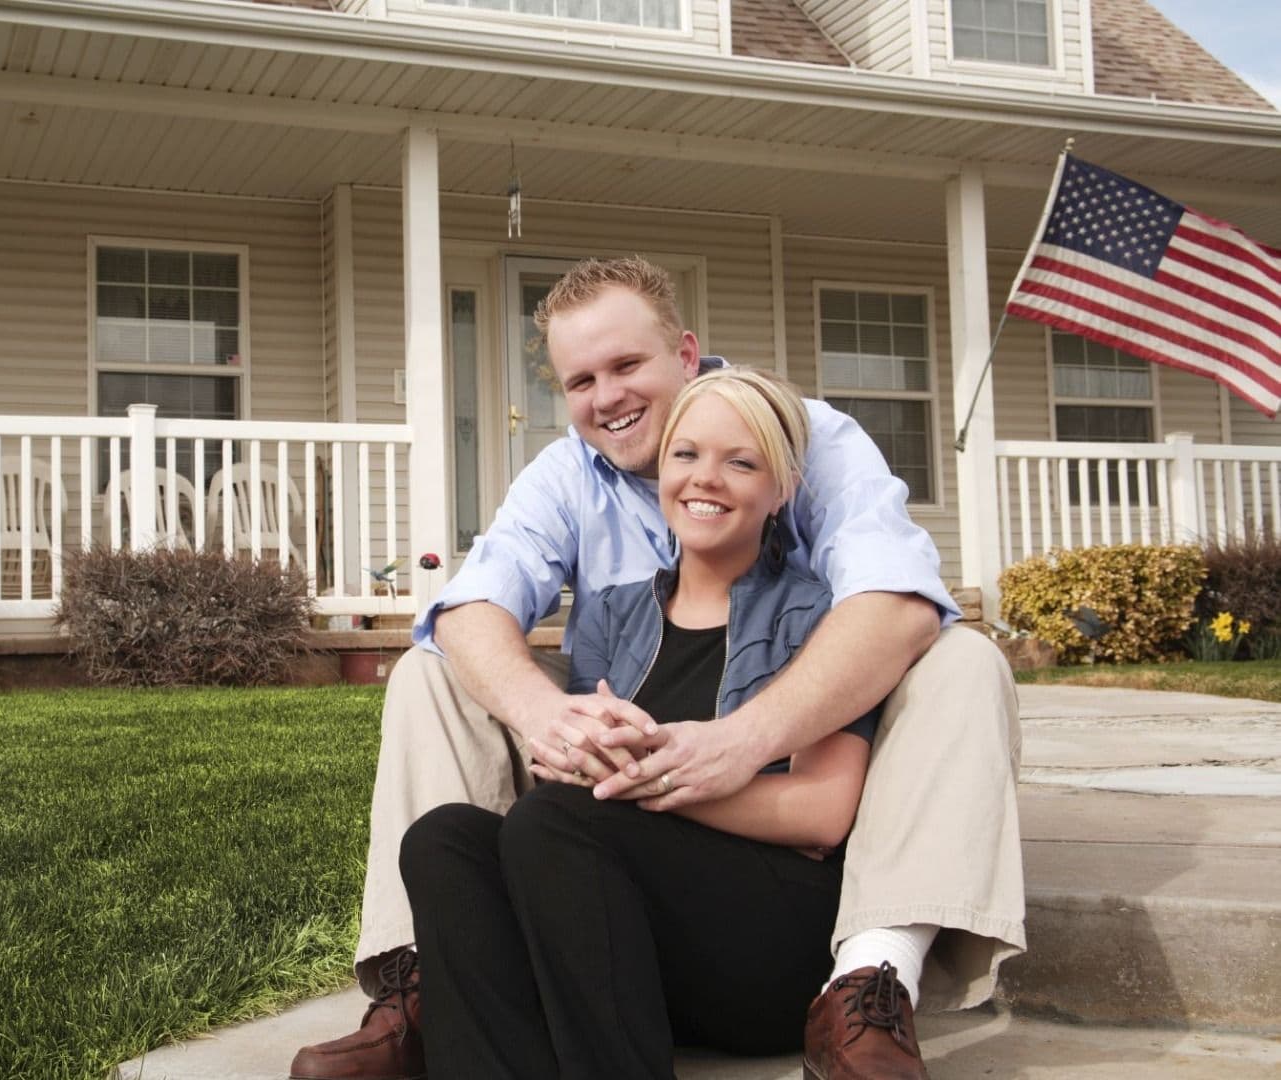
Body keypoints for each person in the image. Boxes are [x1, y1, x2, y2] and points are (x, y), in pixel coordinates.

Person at [289, 257, 1023, 1080]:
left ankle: (865, 981)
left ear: (683, 353)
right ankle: (431, 986)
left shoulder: (809, 451)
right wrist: (549, 720)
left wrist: (731, 746)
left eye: (626, 365)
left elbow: (896, 603)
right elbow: (469, 610)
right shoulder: (585, 524)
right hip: (611, 842)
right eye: (580, 380)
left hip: (765, 859)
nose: (606, 397)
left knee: (960, 657)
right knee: (436, 700)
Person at [400, 367, 882, 1078]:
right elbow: (581, 806)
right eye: (685, 456)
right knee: (444, 838)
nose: (704, 479)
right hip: (638, 945)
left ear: (779, 491)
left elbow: (820, 813)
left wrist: (648, 783)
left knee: (553, 820)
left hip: (770, 941)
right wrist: (575, 760)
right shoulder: (611, 611)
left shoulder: (818, 617)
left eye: (740, 462)